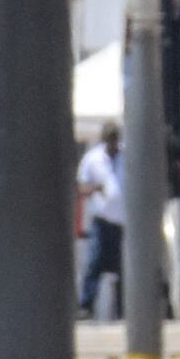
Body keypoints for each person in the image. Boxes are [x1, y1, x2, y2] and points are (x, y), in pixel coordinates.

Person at [75, 121, 126, 322]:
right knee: (95, 263)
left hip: (124, 222)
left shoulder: (128, 156)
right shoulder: (93, 159)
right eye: (110, 139)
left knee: (124, 267)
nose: (113, 144)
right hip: (102, 221)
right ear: (104, 140)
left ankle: (124, 310)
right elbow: (80, 187)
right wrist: (96, 189)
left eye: (116, 139)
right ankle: (86, 306)